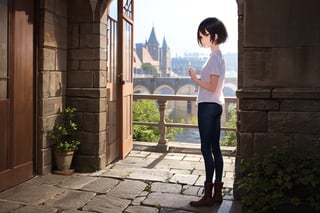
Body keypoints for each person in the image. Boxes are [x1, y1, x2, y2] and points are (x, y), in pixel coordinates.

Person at [188, 17, 228, 207]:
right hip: (217, 105)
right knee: (216, 149)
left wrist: (195, 78)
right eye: (200, 35)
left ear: (215, 36)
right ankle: (217, 194)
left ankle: (207, 196)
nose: (201, 39)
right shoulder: (220, 57)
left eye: (204, 35)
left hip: (207, 105)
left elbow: (211, 87)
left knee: (206, 149)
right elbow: (217, 88)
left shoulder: (213, 59)